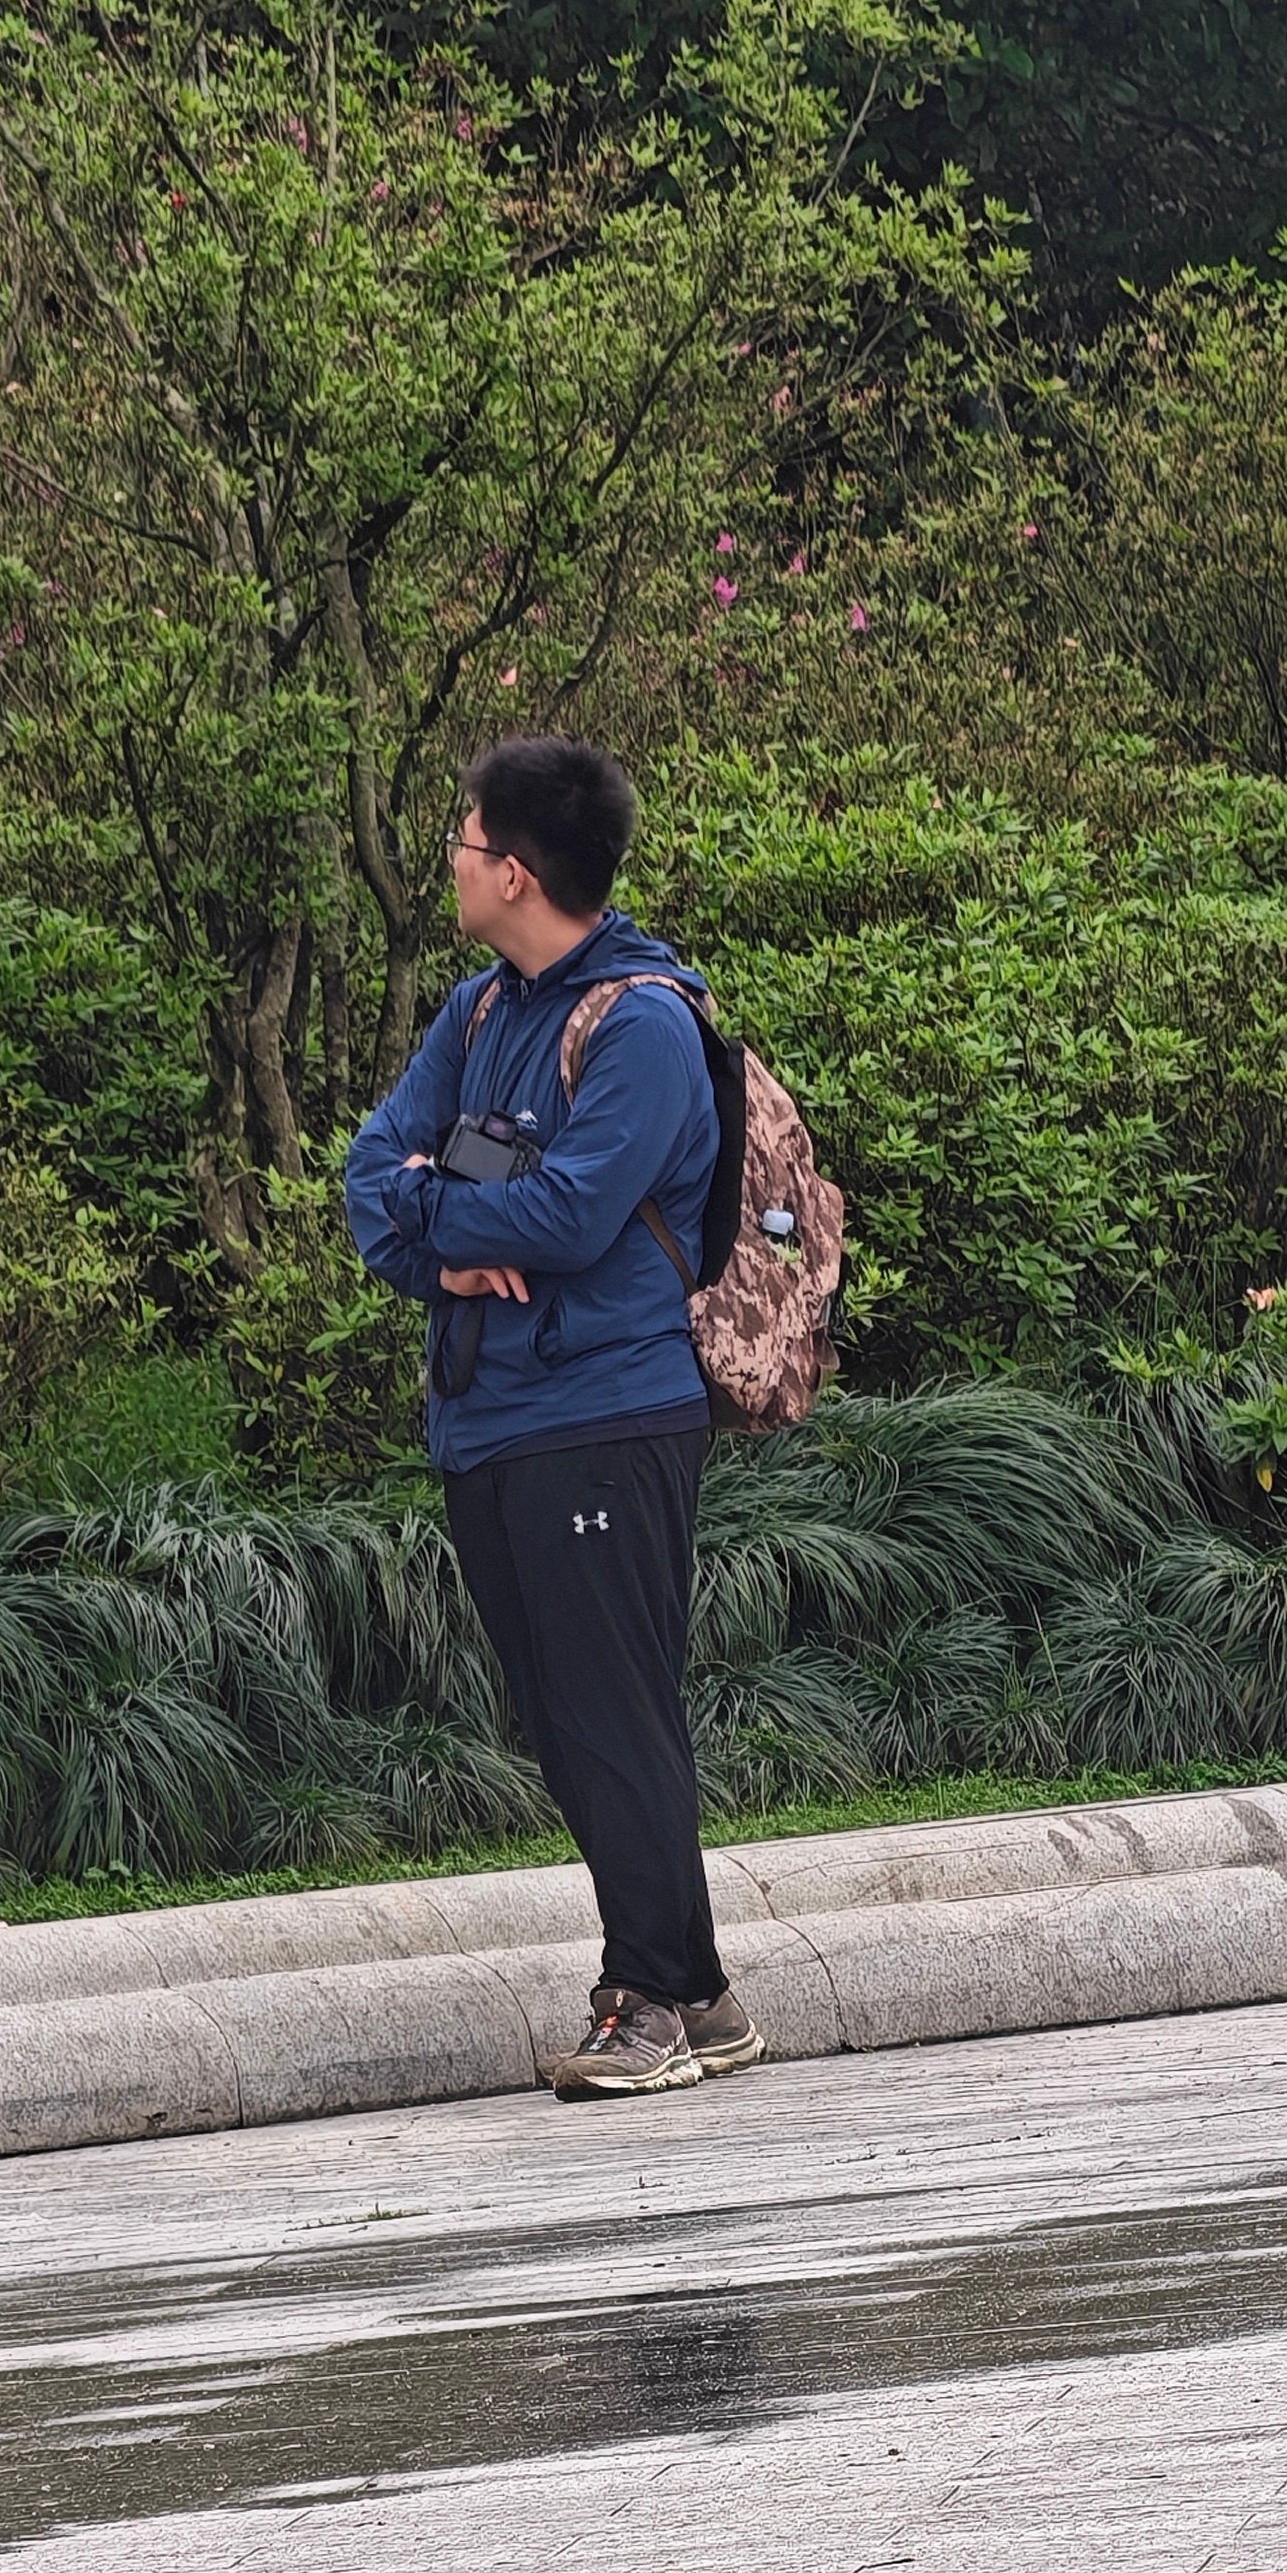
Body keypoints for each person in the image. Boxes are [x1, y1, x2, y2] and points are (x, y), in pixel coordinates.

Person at [343, 734, 765, 2098]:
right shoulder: (477, 1013)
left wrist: (438, 1210)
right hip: (489, 1411)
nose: (452, 864)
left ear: (515, 871)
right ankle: (698, 1997)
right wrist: (447, 1248)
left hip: (606, 1412)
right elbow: (367, 1176)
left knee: (607, 1707)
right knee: (568, 1710)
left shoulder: (641, 1024)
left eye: (462, 843)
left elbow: (574, 1215)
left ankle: (644, 1999)